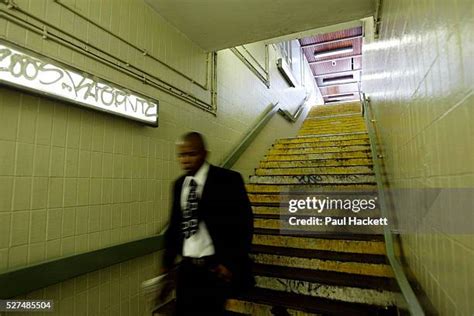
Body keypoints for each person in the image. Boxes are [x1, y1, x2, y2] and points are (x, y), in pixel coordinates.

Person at [162, 132, 254, 315]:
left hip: (215, 269)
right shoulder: (179, 184)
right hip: (187, 268)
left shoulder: (228, 180)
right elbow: (174, 226)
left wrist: (230, 263)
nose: (186, 160)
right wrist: (166, 264)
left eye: (192, 154)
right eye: (182, 155)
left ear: (205, 153)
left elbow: (244, 224)